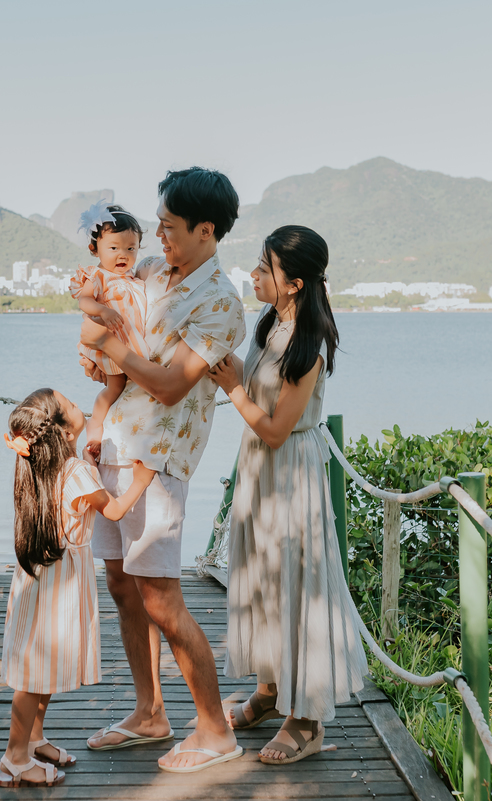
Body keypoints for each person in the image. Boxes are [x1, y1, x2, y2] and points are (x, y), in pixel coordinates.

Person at [79, 167, 246, 773]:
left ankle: (214, 730)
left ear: (206, 230)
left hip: (161, 460)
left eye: (170, 227)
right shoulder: (150, 272)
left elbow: (174, 385)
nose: (158, 236)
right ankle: (150, 711)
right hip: (115, 446)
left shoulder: (221, 301)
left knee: (162, 598)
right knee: (122, 585)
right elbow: (101, 307)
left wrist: (113, 349)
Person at [208, 225, 369, 765]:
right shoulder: (270, 324)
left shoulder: (310, 343)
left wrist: (232, 389)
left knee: (296, 585)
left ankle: (307, 720)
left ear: (294, 282)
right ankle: (272, 690)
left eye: (264, 268)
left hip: (289, 469)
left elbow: (277, 429)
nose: (254, 274)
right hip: (257, 469)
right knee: (262, 581)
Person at [0, 388, 155, 788]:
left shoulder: (43, 467)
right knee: (33, 677)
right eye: (68, 404)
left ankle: (33, 739)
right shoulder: (76, 474)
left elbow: (71, 495)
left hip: (38, 579)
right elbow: (115, 510)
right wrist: (142, 477)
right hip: (61, 584)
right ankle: (14, 758)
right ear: (65, 433)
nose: (75, 402)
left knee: (40, 671)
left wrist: (88, 464)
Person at [69, 203, 149, 457]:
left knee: (135, 386)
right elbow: (84, 301)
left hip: (129, 343)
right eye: (113, 248)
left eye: (130, 248)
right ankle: (95, 426)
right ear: (95, 249)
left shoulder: (135, 279)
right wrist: (102, 311)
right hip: (110, 341)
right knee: (115, 387)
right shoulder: (99, 276)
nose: (122, 254)